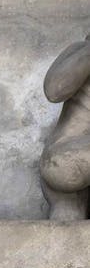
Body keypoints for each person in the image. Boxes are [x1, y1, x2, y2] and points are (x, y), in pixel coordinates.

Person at [39, 33, 90, 219]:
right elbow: (54, 91)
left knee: (67, 227)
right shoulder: (80, 50)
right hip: (65, 157)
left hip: (65, 164)